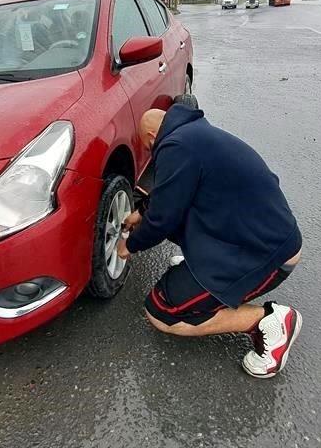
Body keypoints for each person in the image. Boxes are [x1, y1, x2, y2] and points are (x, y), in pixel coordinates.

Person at [118, 105, 304, 378]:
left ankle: (269, 321)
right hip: (254, 236)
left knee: (162, 311)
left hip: (267, 255)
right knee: (190, 208)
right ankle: (202, 267)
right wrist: (143, 210)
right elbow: (173, 192)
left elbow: (163, 220)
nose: (150, 153)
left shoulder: (175, 146)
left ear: (151, 134)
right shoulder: (194, 136)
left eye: (148, 147)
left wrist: (129, 245)